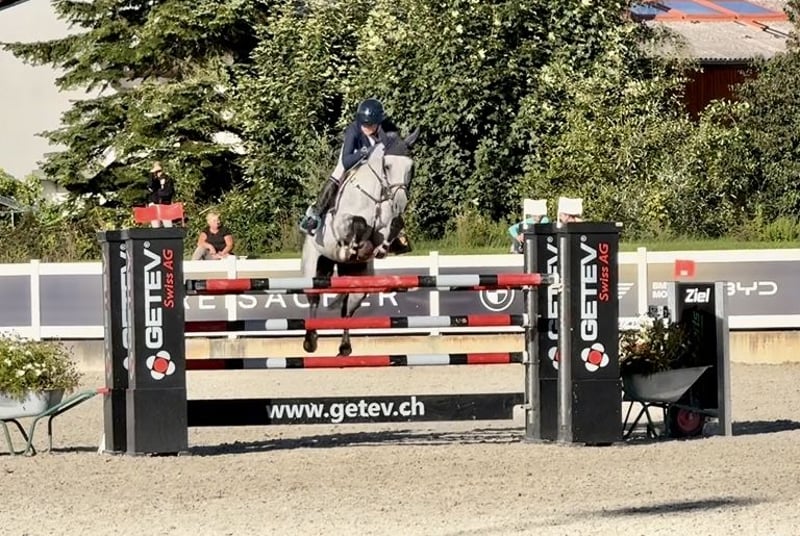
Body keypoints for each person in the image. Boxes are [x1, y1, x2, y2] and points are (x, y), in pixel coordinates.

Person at [299, 98, 412, 254]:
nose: (366, 128)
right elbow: (346, 161)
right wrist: (363, 152)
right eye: (364, 124)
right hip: (352, 157)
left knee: (391, 185)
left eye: (370, 125)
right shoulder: (353, 130)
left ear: (378, 122)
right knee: (338, 172)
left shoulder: (387, 128)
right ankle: (315, 215)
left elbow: (394, 150)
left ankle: (397, 233)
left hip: (374, 162)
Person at [147, 161, 175, 228]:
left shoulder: (168, 179)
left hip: (165, 204)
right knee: (155, 226)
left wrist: (159, 192)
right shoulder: (154, 180)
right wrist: (151, 173)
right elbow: (150, 186)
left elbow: (168, 192)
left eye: (159, 171)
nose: (158, 173)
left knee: (168, 225)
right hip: (155, 204)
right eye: (156, 171)